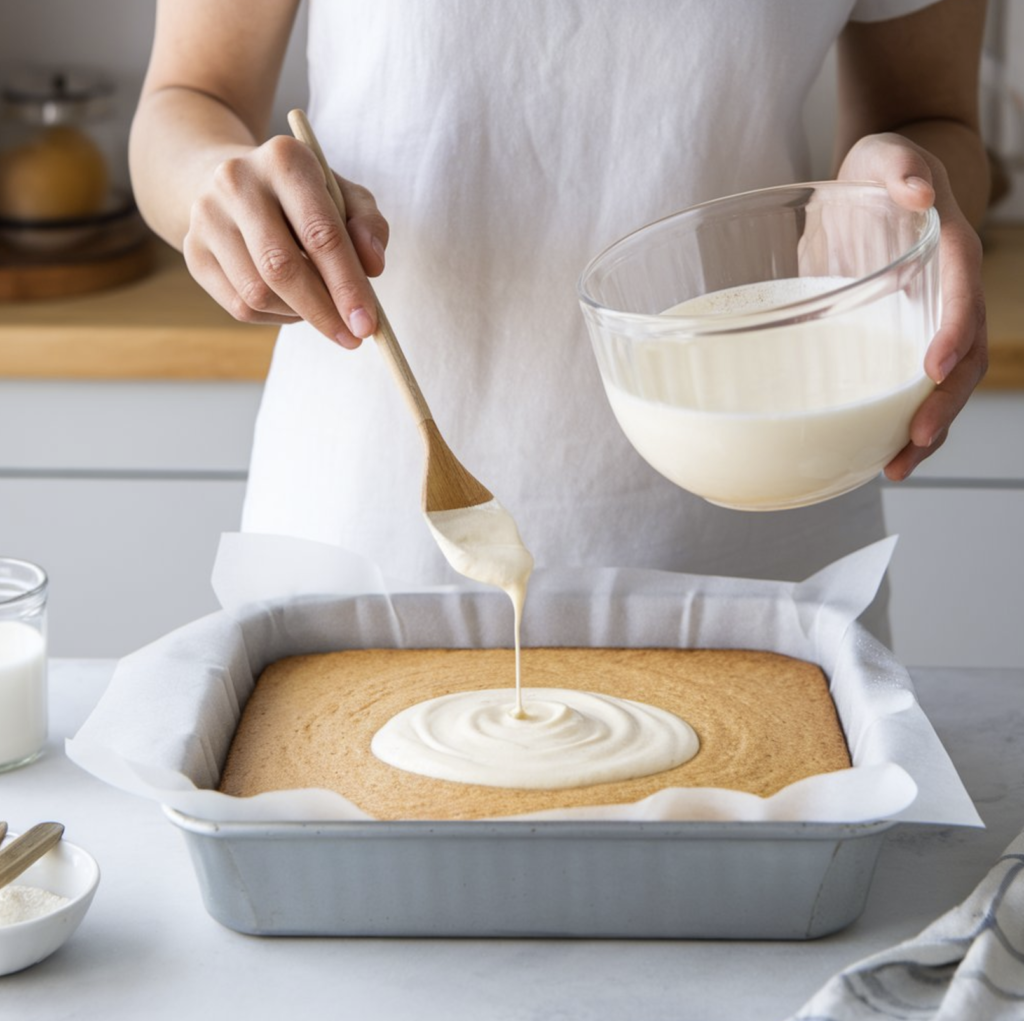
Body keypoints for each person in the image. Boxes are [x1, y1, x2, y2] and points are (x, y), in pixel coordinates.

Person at [128, 0, 990, 641]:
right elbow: (187, 97)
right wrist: (217, 185)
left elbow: (932, 114)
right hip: (368, 534)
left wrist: (903, 191)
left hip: (757, 537)